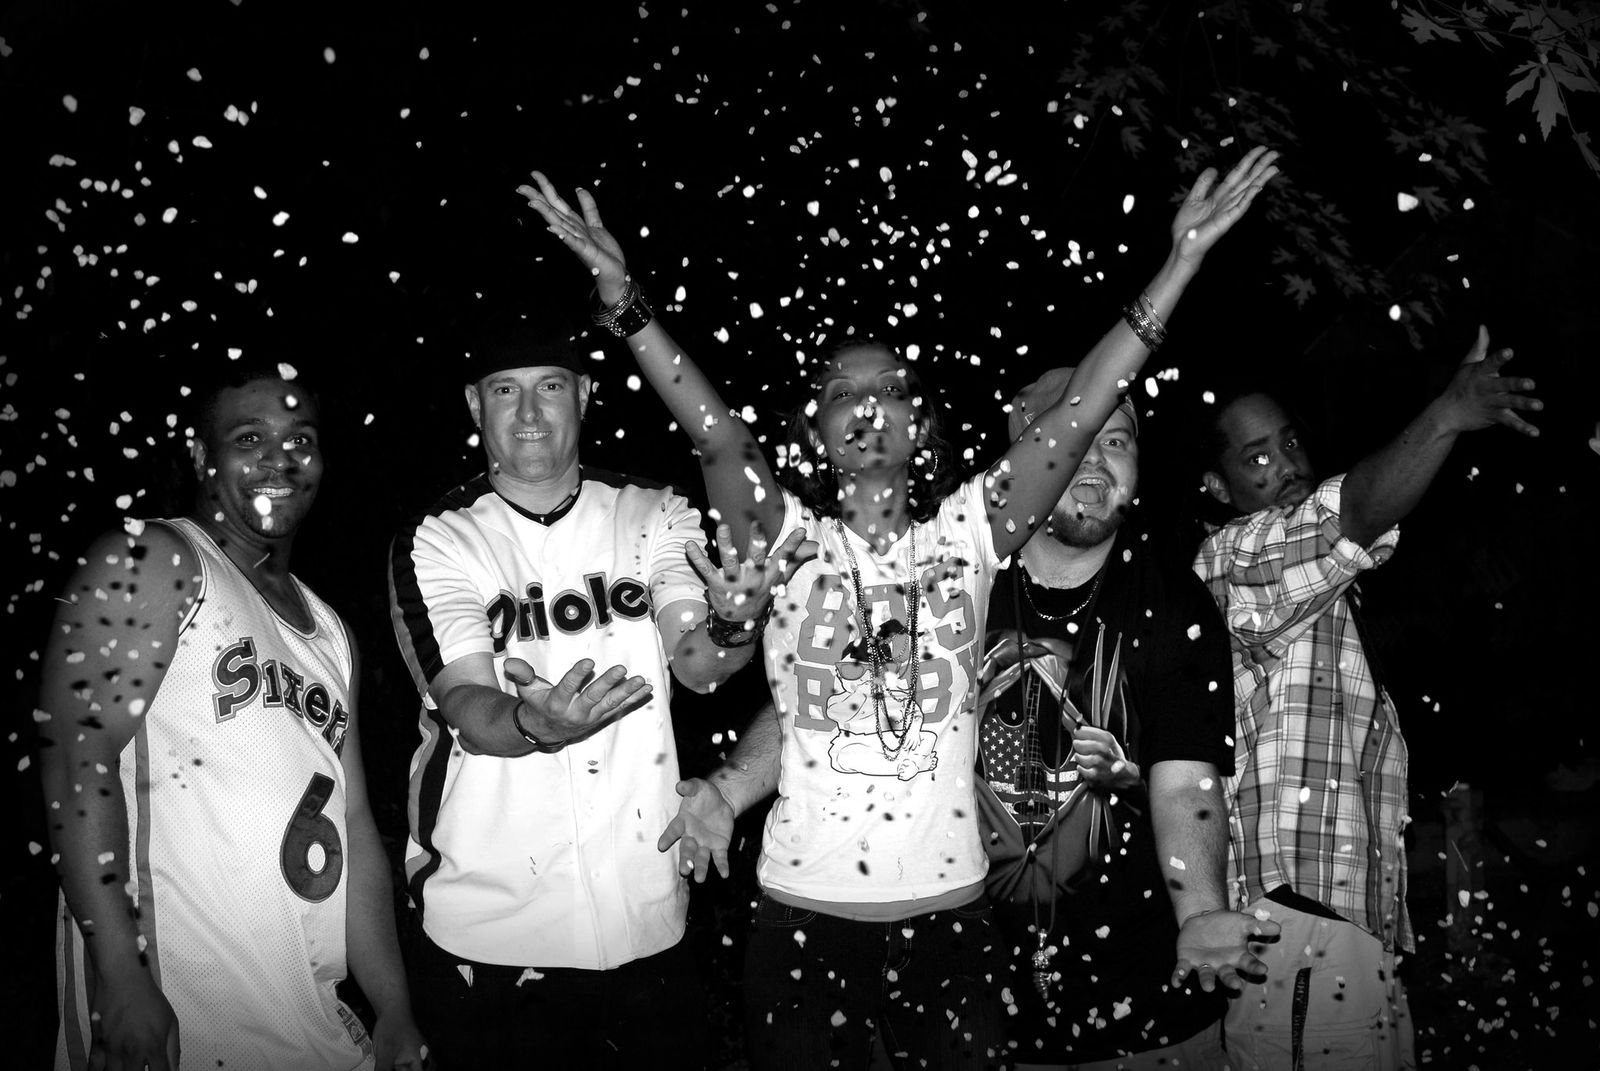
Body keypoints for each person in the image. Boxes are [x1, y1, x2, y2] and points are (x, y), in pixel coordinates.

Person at [523, 145, 1278, 1070]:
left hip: (952, 931)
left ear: (920, 425)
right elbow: (712, 430)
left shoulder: (971, 532)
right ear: (814, 430)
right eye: (843, 392)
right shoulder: (786, 536)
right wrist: (625, 301)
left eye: (891, 389)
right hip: (802, 927)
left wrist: (1180, 264)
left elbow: (1082, 408)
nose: (869, 404)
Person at [387, 318, 803, 1069]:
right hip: (489, 930)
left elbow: (699, 667)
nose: (529, 412)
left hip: (648, 918)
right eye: (504, 391)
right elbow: (468, 707)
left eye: (550, 386)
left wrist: (736, 622)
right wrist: (534, 723)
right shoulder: (437, 535)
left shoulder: (655, 510)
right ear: (475, 404)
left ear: (583, 394)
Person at [40, 367, 427, 1071]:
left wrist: (393, 1004)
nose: (279, 459)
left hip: (313, 1019)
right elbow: (76, 756)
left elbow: (355, 823)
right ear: (202, 456)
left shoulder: (331, 632)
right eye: (250, 438)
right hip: (179, 1012)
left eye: (300, 440)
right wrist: (120, 976)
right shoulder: (153, 556)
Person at [1191, 327, 1542, 1070]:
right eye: (1257, 457)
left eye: (1290, 443)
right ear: (1218, 488)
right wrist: (1447, 414)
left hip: (1344, 928)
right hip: (1293, 927)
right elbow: (1350, 515)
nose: (1287, 464)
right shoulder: (1231, 561)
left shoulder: (1321, 596)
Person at [975, 368, 1276, 1070]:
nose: (1096, 455)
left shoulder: (1174, 600)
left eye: (1117, 439)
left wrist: (1201, 910)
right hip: (974, 1016)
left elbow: (1186, 782)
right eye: (1073, 430)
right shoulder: (954, 583)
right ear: (1018, 446)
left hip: (1150, 1017)